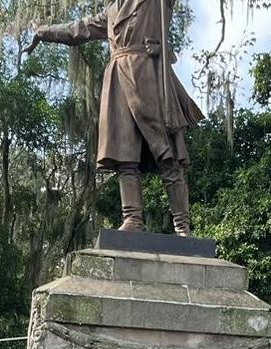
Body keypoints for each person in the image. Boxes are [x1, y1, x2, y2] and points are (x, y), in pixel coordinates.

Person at [21, 0, 205, 235]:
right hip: (118, 81)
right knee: (125, 157)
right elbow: (78, 29)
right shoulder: (111, 11)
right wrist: (42, 31)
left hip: (148, 76)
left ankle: (182, 225)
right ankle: (132, 219)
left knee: (168, 155)